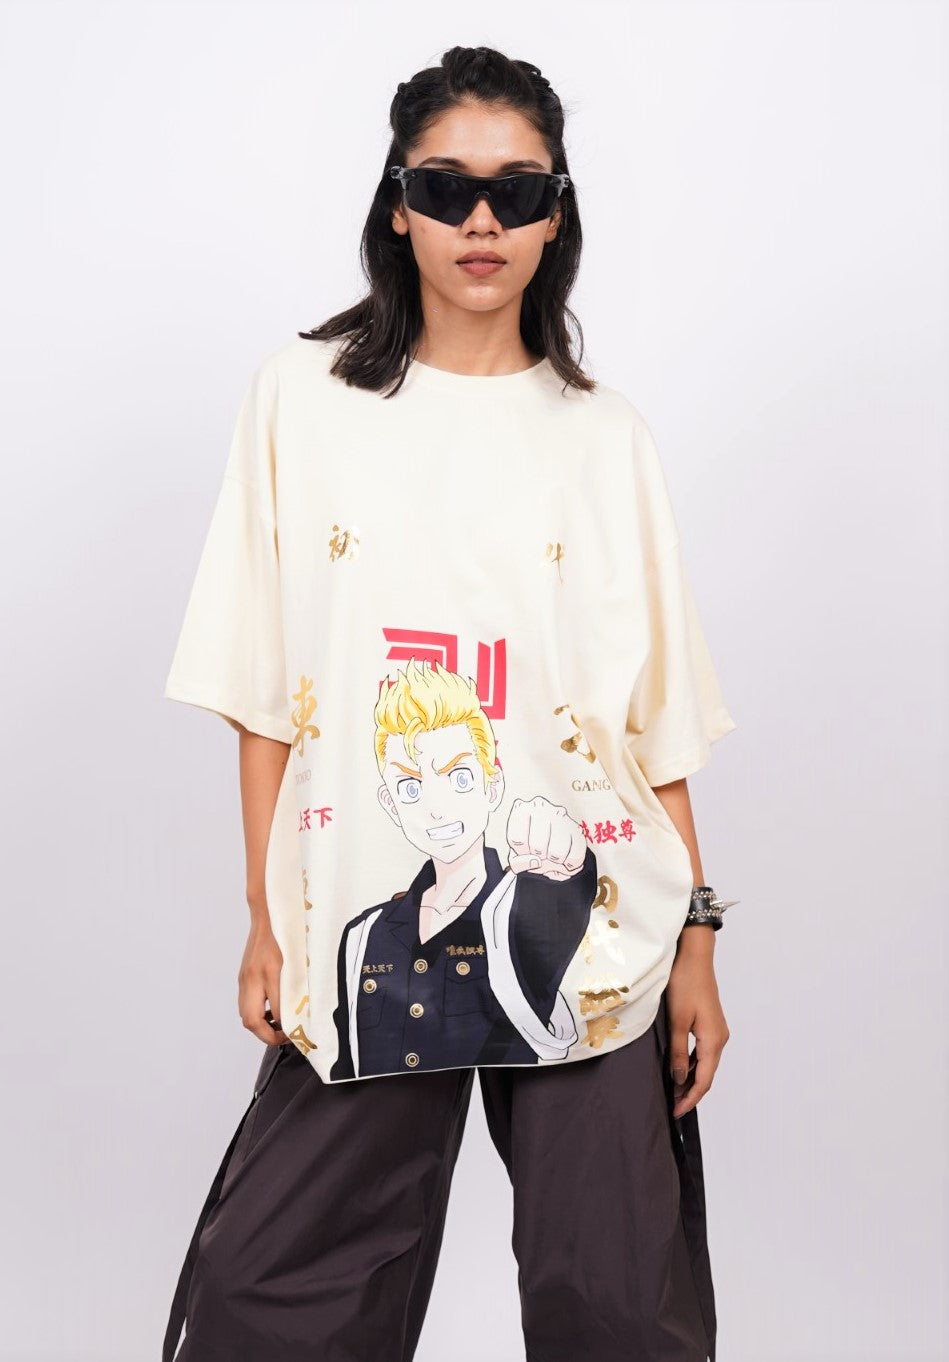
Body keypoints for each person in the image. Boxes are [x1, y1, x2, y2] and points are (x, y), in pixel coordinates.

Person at [160, 44, 738, 1362]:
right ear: (397, 205)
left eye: (518, 191)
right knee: (279, 1303)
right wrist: (266, 915)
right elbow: (264, 693)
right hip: (370, 912)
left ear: (556, 216)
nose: (483, 219)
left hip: (594, 918)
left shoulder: (604, 436)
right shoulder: (301, 403)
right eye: (446, 186)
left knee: (614, 1306)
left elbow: (649, 725)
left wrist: (698, 939)